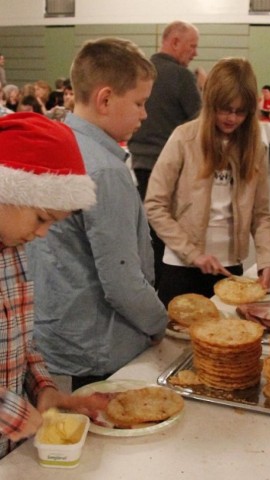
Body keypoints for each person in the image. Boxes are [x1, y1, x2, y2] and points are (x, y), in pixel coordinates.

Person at [26, 37, 168, 391]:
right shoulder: (104, 170)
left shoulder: (58, 143)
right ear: (105, 99)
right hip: (100, 343)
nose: (144, 114)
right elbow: (121, 279)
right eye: (139, 102)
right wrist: (157, 322)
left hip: (56, 330)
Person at [0, 112, 100, 459]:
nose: (42, 232)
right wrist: (9, 411)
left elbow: (20, 340)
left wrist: (43, 387)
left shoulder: (13, 248)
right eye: (42, 218)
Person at [144, 57, 270, 306]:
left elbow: (261, 215)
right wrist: (193, 254)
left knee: (226, 340)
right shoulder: (184, 138)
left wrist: (268, 261)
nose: (232, 118)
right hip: (182, 265)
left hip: (229, 268)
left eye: (240, 112)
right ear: (210, 102)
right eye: (224, 109)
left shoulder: (254, 148)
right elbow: (154, 205)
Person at [128, 20, 201, 200]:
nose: (195, 53)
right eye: (192, 46)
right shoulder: (182, 76)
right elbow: (201, 121)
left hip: (136, 162)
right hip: (169, 165)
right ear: (175, 42)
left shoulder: (139, 73)